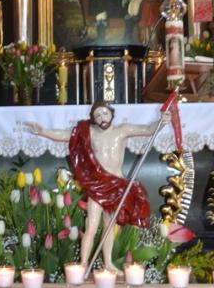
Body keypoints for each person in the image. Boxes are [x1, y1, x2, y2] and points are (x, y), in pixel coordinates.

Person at [27, 101, 170, 272]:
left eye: (105, 113)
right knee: (91, 226)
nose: (102, 118)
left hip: (116, 186)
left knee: (109, 227)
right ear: (93, 118)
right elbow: (65, 135)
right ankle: (83, 264)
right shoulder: (89, 132)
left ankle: (108, 263)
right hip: (98, 187)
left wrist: (162, 121)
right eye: (98, 115)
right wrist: (42, 131)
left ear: (111, 113)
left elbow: (148, 130)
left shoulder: (122, 130)